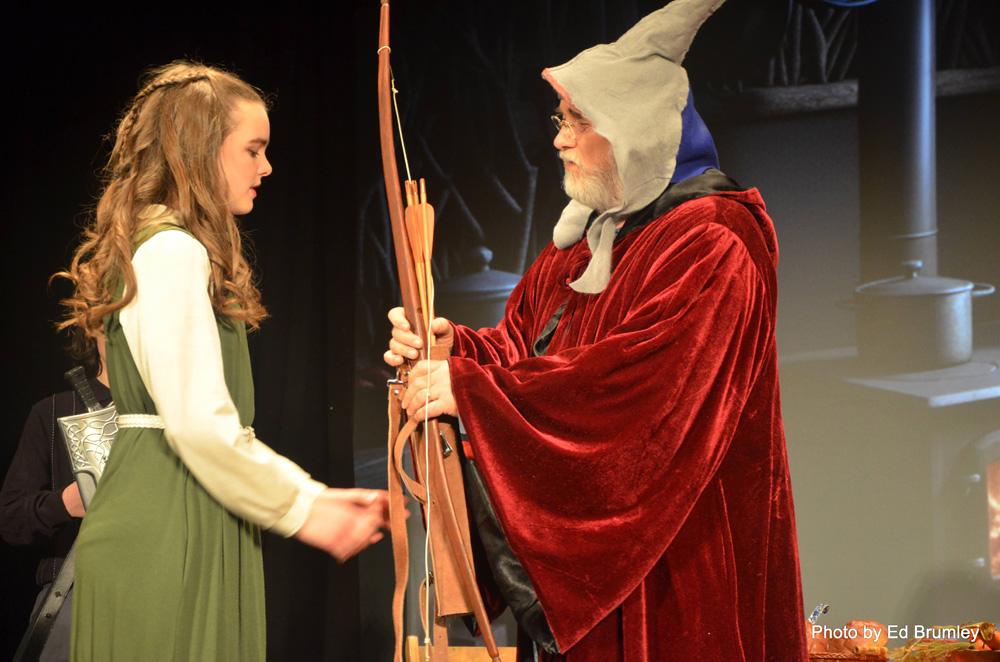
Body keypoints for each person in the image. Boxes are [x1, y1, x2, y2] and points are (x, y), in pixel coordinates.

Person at [384, 1, 808, 660]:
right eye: (562, 119)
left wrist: (473, 392)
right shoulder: (586, 242)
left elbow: (639, 400)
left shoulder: (714, 243)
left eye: (578, 121)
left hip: (679, 577)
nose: (559, 139)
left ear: (634, 129)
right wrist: (454, 349)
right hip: (599, 599)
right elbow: (522, 348)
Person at [52, 61, 388, 662]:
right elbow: (198, 422)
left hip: (187, 505)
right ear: (200, 152)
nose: (267, 167)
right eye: (252, 150)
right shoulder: (171, 251)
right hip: (168, 518)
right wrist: (305, 507)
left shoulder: (164, 247)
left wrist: (301, 500)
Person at [0, 337, 109, 662]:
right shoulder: (52, 412)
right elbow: (11, 519)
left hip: (160, 600)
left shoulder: (172, 419)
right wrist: (65, 502)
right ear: (93, 327)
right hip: (75, 601)